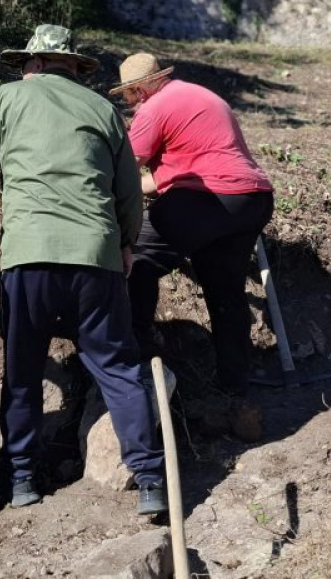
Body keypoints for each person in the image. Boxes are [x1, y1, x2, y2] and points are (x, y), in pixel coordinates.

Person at [0, 25, 167, 515]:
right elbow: (128, 191)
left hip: (30, 257)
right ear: (72, 66)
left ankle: (22, 479)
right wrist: (126, 244)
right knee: (118, 368)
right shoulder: (103, 110)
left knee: (22, 370)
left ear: (35, 63)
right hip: (96, 257)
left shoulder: (6, 99)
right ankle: (149, 480)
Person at [110, 53, 274, 416]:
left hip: (207, 197)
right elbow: (169, 175)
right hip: (252, 199)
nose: (127, 102)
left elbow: (126, 171)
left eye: (127, 95)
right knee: (224, 290)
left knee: (136, 261)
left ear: (138, 90)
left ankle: (138, 357)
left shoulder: (153, 110)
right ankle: (234, 385)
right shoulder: (199, 96)